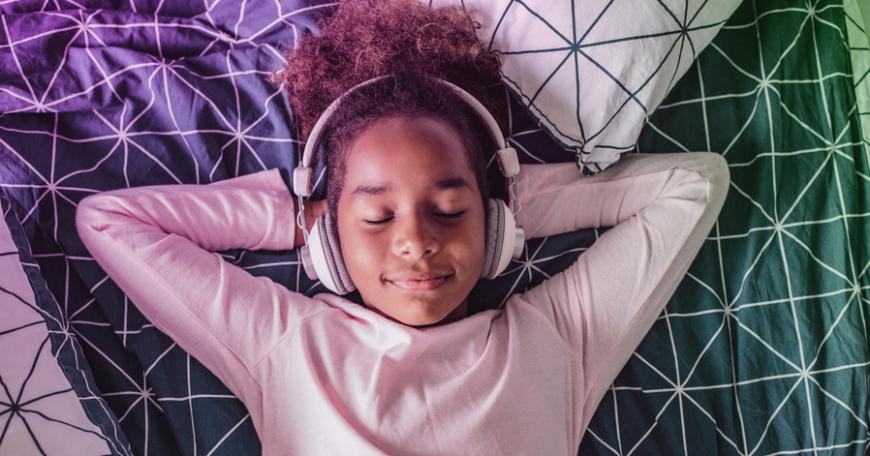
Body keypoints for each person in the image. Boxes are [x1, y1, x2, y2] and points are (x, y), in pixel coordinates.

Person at [75, 0, 731, 454]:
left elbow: (695, 185)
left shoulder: (560, 339)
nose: (417, 241)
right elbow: (109, 219)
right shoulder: (286, 343)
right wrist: (299, 216)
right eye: (375, 216)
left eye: (450, 208)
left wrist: (514, 201)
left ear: (496, 226)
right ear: (330, 240)